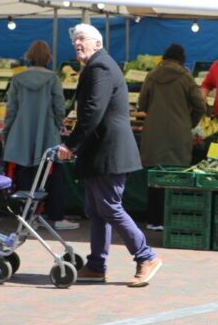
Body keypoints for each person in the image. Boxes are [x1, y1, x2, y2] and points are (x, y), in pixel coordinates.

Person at [57, 24, 162, 287]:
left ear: (98, 43)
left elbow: (93, 111)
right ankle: (96, 265)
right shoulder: (96, 66)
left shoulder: (100, 67)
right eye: (75, 41)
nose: (77, 44)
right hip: (101, 151)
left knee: (109, 207)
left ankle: (146, 256)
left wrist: (71, 144)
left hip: (109, 151)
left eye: (82, 39)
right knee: (96, 210)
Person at [2, 41, 78, 230]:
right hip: (47, 131)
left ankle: (28, 217)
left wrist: (7, 132)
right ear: (48, 57)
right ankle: (57, 217)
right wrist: (58, 124)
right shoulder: (53, 78)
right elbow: (60, 107)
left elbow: (11, 110)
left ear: (29, 56)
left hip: (22, 132)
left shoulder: (18, 79)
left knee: (25, 173)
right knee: (54, 174)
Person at [138, 43, 206, 231]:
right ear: (181, 59)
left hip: (153, 133)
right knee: (176, 176)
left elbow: (142, 104)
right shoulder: (186, 77)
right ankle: (172, 218)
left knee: (155, 177)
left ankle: (154, 220)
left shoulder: (152, 76)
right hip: (179, 134)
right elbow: (200, 105)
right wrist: (188, 122)